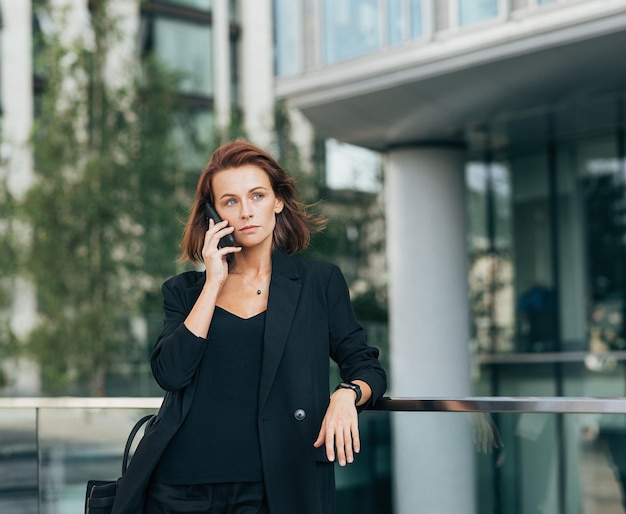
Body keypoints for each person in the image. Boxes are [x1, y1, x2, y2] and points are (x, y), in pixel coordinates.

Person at [112, 139, 387, 514]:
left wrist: (346, 395)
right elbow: (170, 373)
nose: (246, 212)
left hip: (276, 486)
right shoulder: (183, 291)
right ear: (214, 214)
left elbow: (366, 365)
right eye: (230, 201)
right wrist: (213, 283)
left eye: (257, 196)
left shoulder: (319, 283)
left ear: (278, 201)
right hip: (179, 488)